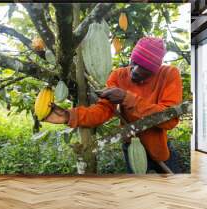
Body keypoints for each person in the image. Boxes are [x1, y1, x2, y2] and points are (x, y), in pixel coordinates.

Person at [44, 37, 184, 173]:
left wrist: (126, 98)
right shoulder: (118, 76)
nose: (134, 70)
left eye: (143, 68)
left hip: (159, 147)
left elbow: (170, 119)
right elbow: (102, 111)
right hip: (131, 146)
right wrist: (69, 116)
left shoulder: (169, 74)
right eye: (134, 62)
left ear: (154, 71)